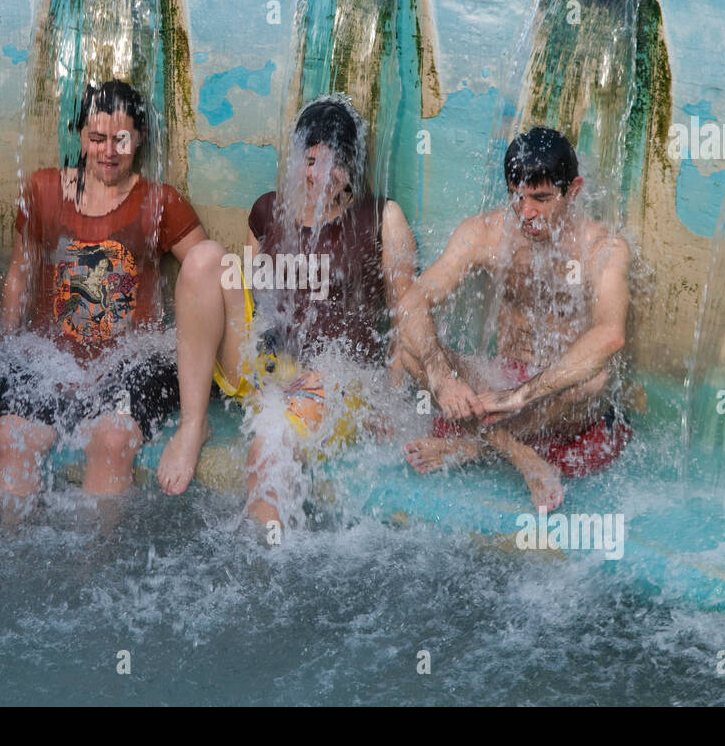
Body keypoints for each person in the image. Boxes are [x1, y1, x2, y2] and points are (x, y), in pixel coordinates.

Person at [157, 94, 418, 530]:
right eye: (311, 161)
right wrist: (267, 374)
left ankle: (265, 566)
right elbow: (257, 303)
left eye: (336, 163)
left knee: (269, 444)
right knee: (204, 258)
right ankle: (192, 424)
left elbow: (406, 318)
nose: (321, 176)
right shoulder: (266, 211)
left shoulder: (381, 218)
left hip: (332, 381)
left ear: (353, 164)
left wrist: (386, 405)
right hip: (269, 367)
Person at [396, 126, 634, 512]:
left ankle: (473, 445)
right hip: (500, 376)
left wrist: (520, 395)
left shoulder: (603, 248)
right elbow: (412, 302)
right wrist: (441, 377)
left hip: (556, 389)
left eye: (540, 199)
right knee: (410, 350)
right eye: (517, 197)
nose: (526, 213)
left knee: (596, 380)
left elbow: (610, 335)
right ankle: (516, 451)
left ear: (573, 191)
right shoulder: (485, 233)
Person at [0, 80, 206, 498]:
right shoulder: (43, 189)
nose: (109, 152)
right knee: (14, 440)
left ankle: (98, 557)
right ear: (80, 137)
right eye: (97, 139)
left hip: (131, 362)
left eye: (121, 140)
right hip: (53, 359)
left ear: (139, 137)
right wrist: (8, 347)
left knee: (111, 442)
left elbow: (209, 272)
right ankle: (10, 557)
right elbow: (20, 273)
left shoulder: (159, 202)